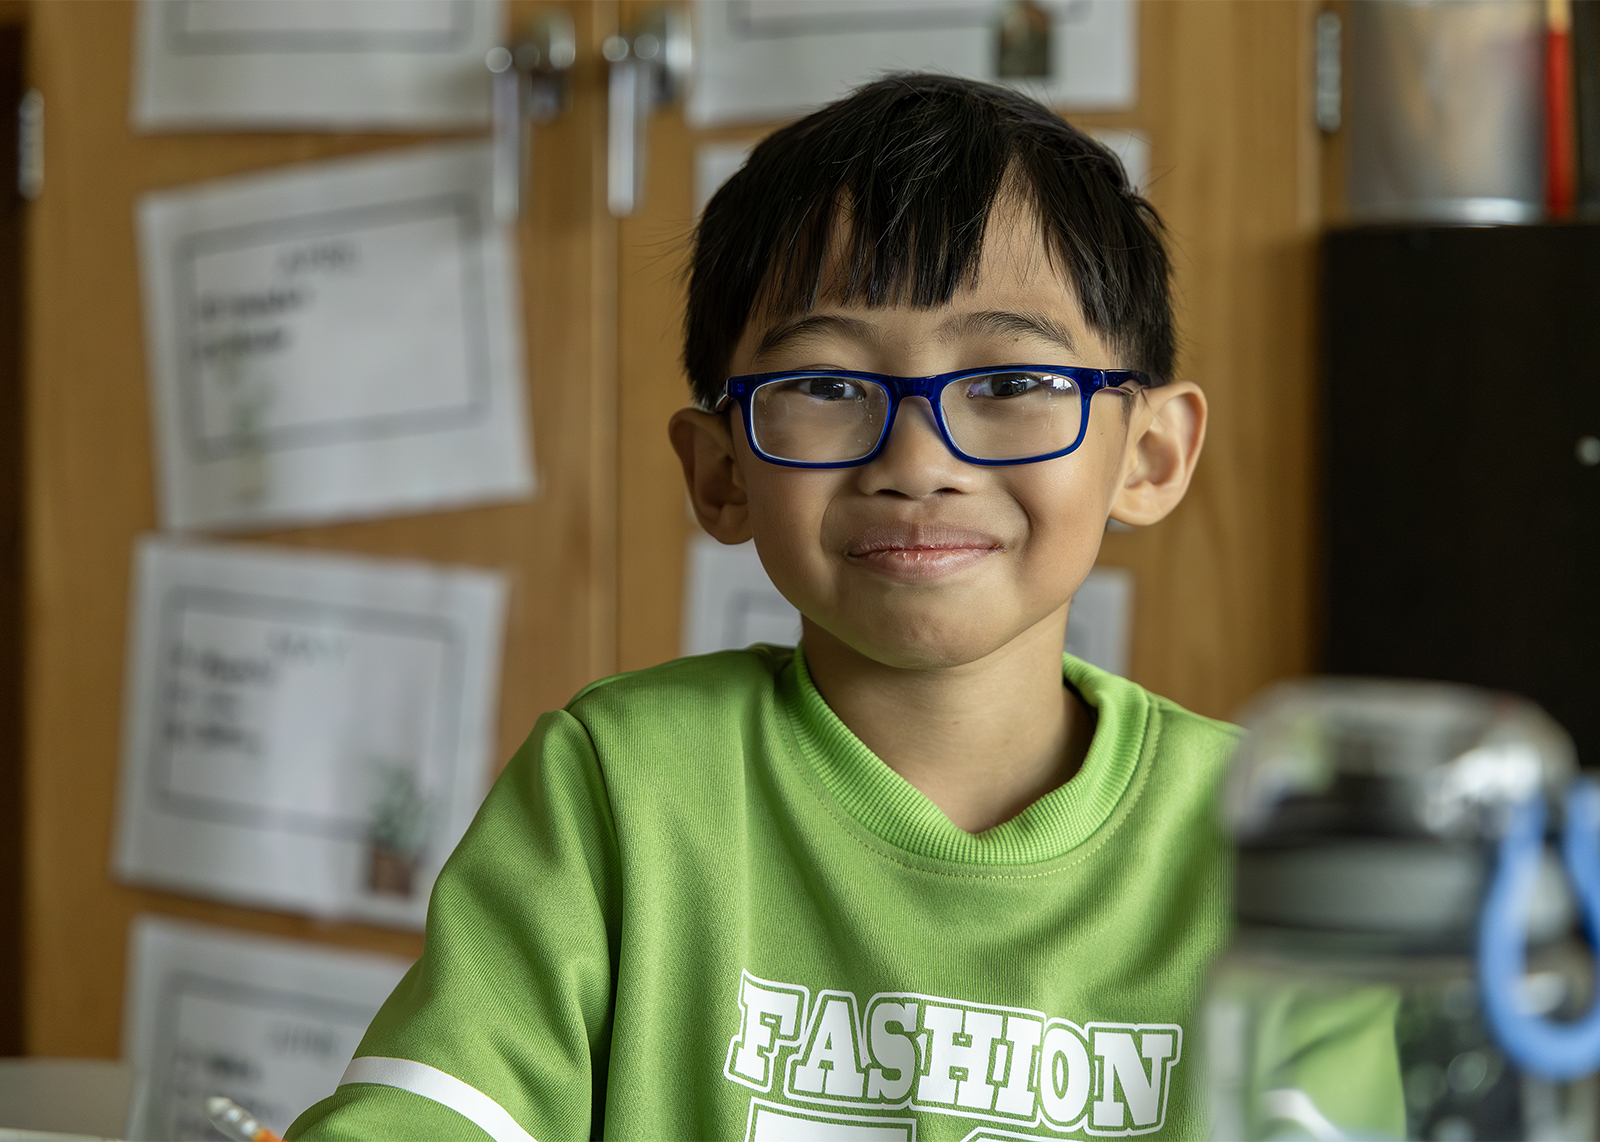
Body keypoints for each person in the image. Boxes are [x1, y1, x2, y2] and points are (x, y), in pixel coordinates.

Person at [289, 73, 1234, 1142]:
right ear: (721, 472)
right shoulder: (618, 785)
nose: (916, 461)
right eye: (828, 387)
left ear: (1148, 456)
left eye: (1010, 380)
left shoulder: (1271, 839)